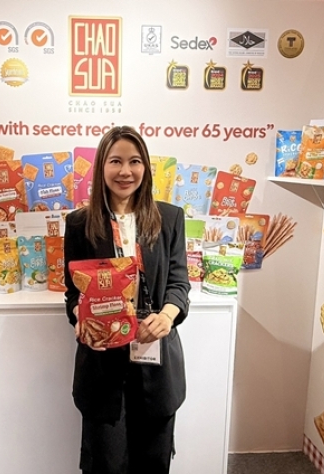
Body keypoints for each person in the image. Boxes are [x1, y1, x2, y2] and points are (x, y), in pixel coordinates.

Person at [64, 126, 191, 474]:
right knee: (106, 462)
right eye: (115, 161)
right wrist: (81, 318)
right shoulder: (79, 224)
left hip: (155, 355)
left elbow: (179, 282)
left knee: (153, 460)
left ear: (145, 167)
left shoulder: (169, 218)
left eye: (134, 161)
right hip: (102, 360)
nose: (125, 171)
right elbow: (73, 292)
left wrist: (166, 316)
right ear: (101, 167)